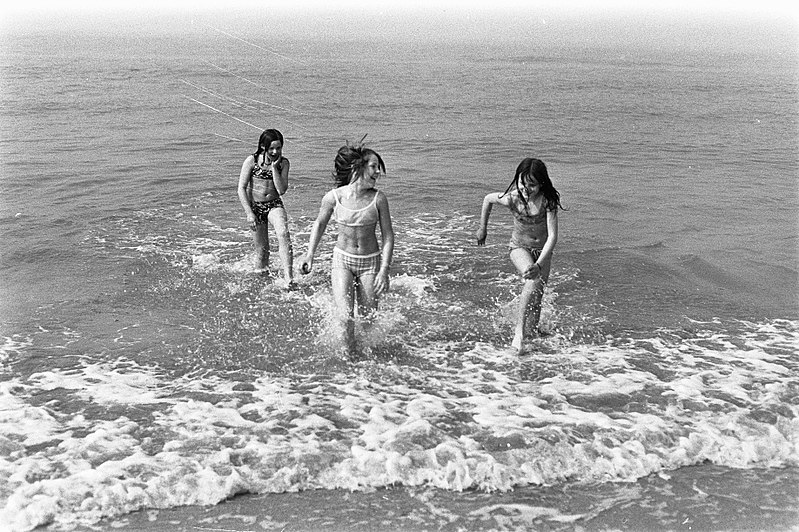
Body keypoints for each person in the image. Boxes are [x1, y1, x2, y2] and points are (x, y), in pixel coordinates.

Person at [300, 143, 394, 356]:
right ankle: (349, 359)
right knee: (345, 317)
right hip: (342, 260)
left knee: (368, 319)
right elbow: (319, 224)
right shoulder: (334, 197)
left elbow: (388, 235)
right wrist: (309, 254)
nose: (378, 172)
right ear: (357, 168)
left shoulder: (379, 199)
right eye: (373, 166)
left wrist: (384, 270)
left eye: (378, 167)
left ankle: (369, 358)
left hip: (370, 262)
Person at [476, 157, 563, 352]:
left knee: (538, 295)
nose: (526, 188)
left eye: (532, 185)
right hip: (518, 248)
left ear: (541, 184)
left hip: (543, 251)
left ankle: (532, 334)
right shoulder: (513, 198)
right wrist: (483, 228)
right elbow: (488, 199)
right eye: (523, 183)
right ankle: (519, 333)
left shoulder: (548, 201)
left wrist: (540, 264)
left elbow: (553, 237)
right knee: (531, 282)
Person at [237, 128, 296, 288]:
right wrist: (249, 213)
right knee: (262, 254)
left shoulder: (284, 163)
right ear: (263, 147)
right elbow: (241, 188)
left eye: (279, 148)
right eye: (271, 148)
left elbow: (282, 190)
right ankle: (260, 284)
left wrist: (275, 168)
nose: (275, 151)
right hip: (255, 207)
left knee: (283, 233)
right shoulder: (252, 161)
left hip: (274, 205)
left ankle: (288, 278)